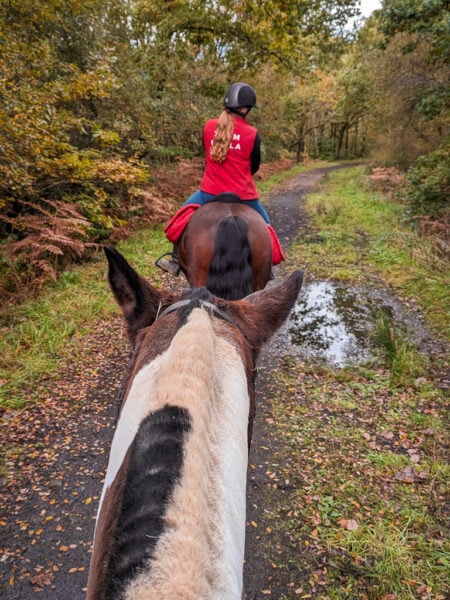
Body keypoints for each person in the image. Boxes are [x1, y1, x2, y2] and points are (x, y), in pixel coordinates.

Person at [156, 82, 284, 275]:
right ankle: (267, 269)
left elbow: (208, 154)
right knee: (266, 226)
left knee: (180, 218)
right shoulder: (252, 134)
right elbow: (254, 166)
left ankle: (174, 260)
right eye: (248, 108)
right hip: (244, 196)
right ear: (243, 108)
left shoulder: (208, 127)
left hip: (209, 192)